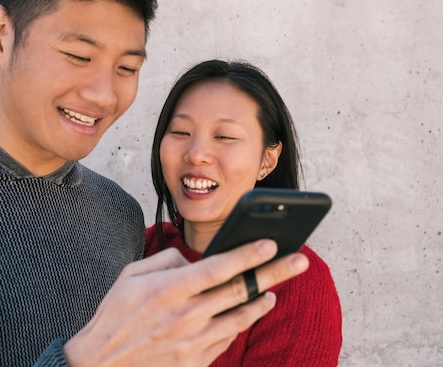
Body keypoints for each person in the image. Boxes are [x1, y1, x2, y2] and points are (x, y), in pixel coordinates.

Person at [0, 0, 311, 367]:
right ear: (1, 35)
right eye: (78, 55)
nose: (103, 94)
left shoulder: (119, 215)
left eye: (127, 68)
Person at [145, 59, 343, 366]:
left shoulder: (296, 282)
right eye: (181, 132)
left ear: (267, 160)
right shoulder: (138, 249)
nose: (196, 153)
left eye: (224, 136)